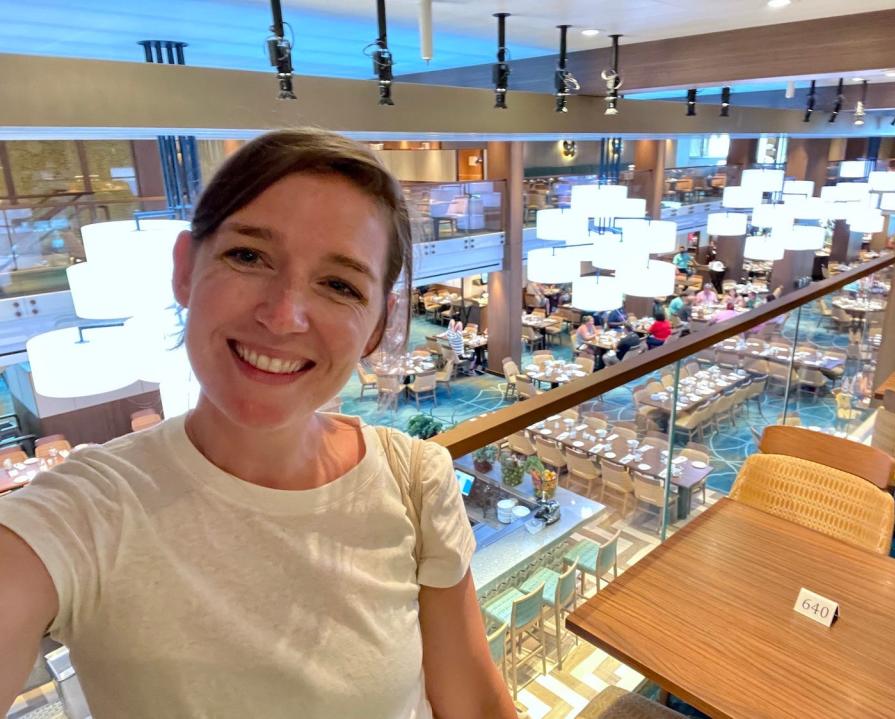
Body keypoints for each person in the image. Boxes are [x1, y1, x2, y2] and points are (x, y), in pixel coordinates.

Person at [0, 130, 516, 719]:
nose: (283, 315)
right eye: (248, 255)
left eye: (339, 285)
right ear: (186, 269)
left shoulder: (414, 479)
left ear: (377, 327)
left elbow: (471, 702)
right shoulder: (85, 510)